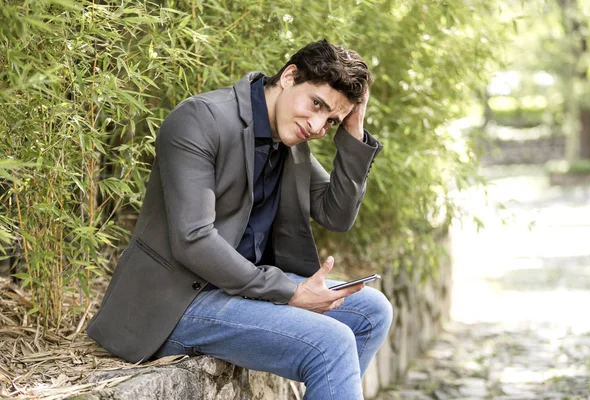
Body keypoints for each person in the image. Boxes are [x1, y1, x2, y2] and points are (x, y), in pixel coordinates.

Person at [87, 39, 393, 399]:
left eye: (330, 120)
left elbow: (336, 214)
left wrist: (353, 132)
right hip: (177, 300)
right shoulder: (200, 119)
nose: (316, 125)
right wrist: (289, 292)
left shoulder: (289, 141)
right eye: (316, 104)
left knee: (374, 310)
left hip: (238, 288)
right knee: (330, 340)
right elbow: (193, 239)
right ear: (290, 76)